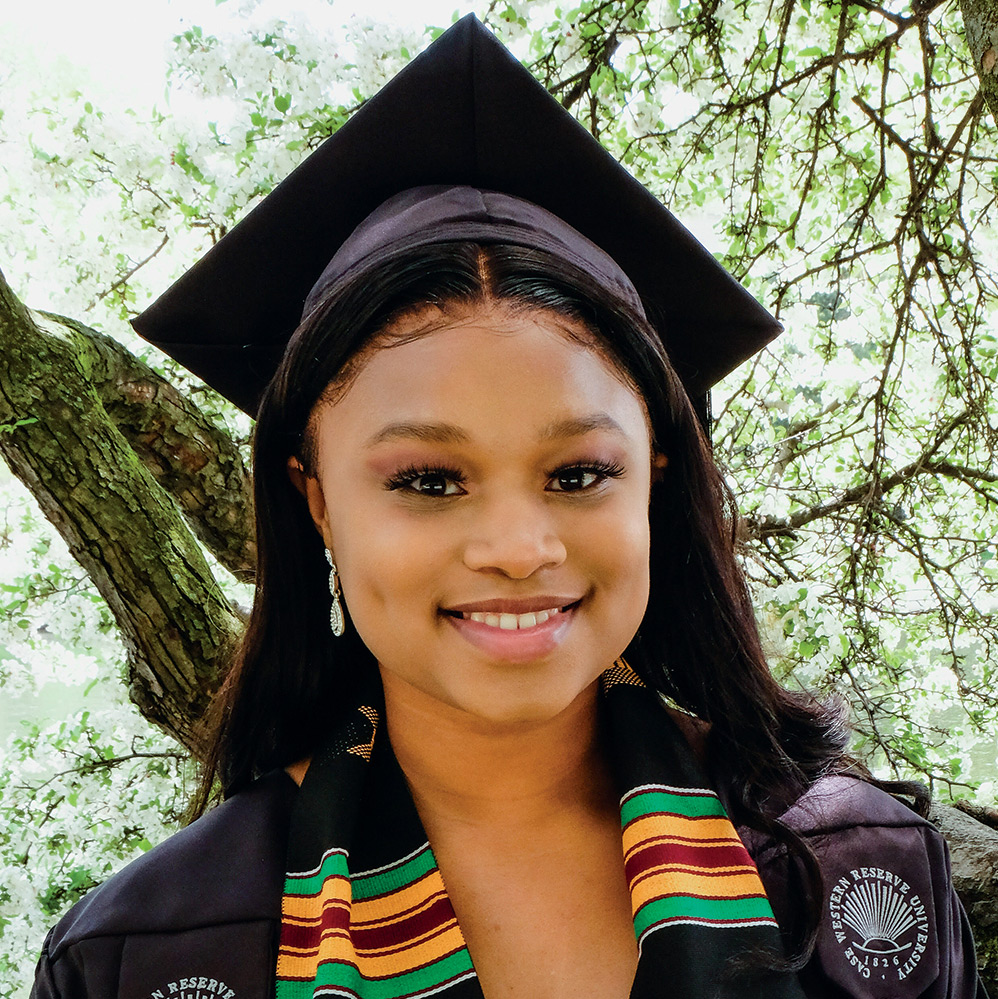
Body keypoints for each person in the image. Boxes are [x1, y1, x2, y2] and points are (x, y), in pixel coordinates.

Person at [31, 15, 986, 999]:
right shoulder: (151, 954)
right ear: (313, 498)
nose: (517, 548)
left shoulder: (859, 875)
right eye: (427, 482)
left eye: (577, 474)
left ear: (654, 473)